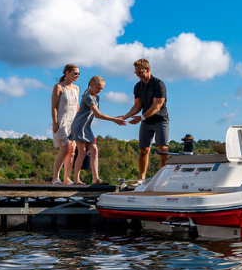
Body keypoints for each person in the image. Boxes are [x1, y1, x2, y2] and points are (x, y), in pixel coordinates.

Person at [68, 76, 127, 185]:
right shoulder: (88, 97)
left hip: (87, 127)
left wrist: (115, 118)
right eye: (97, 88)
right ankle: (76, 179)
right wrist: (114, 119)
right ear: (91, 84)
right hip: (79, 126)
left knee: (94, 150)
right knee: (82, 152)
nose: (99, 90)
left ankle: (95, 179)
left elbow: (97, 114)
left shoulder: (97, 97)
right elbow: (98, 115)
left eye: (101, 89)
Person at [120, 58, 169, 186]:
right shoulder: (138, 86)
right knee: (143, 150)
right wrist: (126, 116)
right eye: (136, 73)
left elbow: (157, 106)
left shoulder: (159, 84)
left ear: (147, 70)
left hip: (160, 120)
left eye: (140, 72)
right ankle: (141, 179)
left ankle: (163, 179)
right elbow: (137, 106)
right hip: (146, 122)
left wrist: (140, 118)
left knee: (163, 149)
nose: (138, 75)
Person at [50, 64, 79, 185]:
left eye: (78, 74)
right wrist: (55, 122)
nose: (77, 75)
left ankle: (67, 178)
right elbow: (54, 106)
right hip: (62, 122)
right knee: (65, 149)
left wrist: (79, 123)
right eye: (75, 73)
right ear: (67, 73)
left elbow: (77, 107)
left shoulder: (76, 88)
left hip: (73, 122)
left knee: (72, 151)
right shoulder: (58, 87)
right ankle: (55, 178)